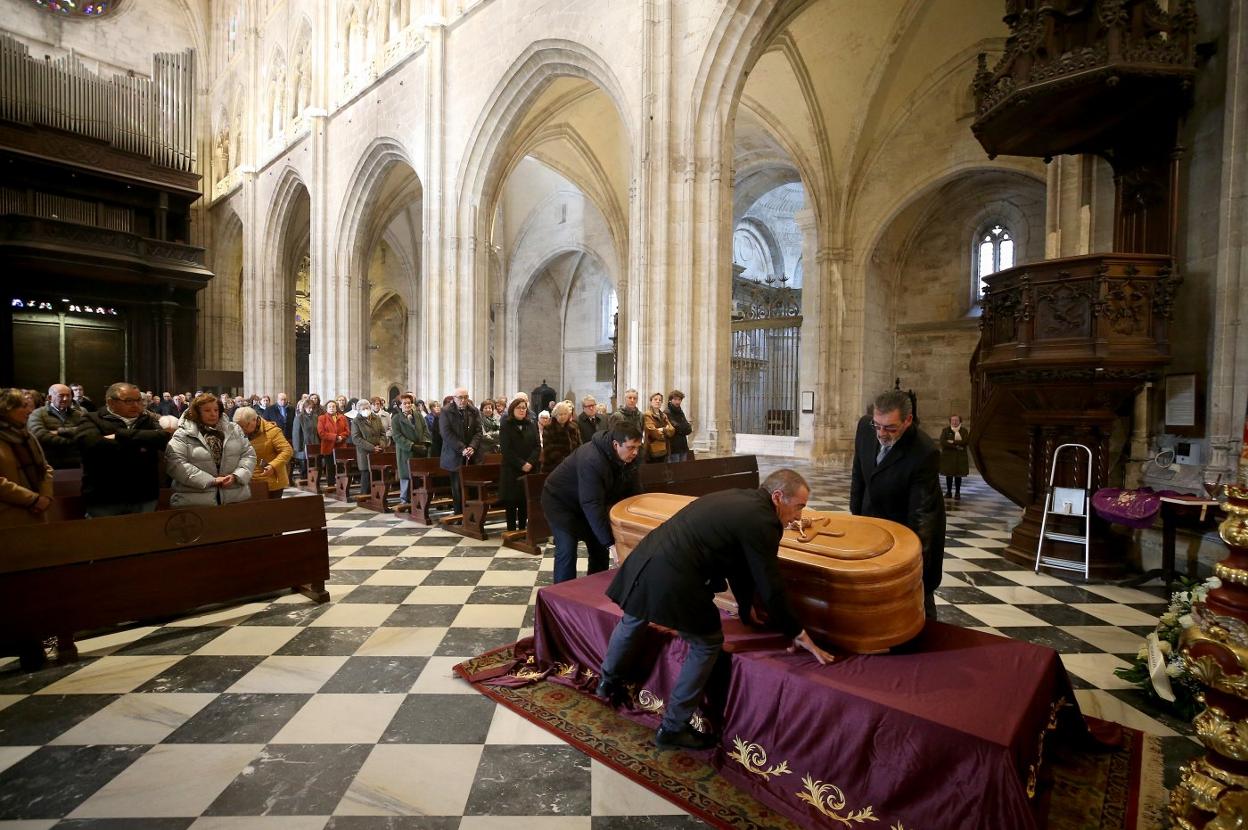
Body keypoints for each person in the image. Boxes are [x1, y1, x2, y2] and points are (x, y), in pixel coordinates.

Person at [598, 468, 834, 749]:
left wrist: (746, 607)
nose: (799, 517)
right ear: (778, 496)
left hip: (647, 558)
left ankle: (608, 682)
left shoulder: (740, 498)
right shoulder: (763, 521)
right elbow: (770, 584)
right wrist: (796, 631)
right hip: (676, 577)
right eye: (799, 507)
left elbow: (738, 562)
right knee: (707, 643)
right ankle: (673, 727)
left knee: (634, 618)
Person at [850, 390, 945, 620]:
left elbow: (921, 516)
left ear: (908, 420)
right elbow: (859, 474)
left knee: (916, 592)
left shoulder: (924, 451)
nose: (881, 433)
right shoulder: (865, 428)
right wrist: (857, 519)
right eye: (878, 425)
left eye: (890, 428)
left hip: (906, 522)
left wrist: (913, 564)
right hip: (872, 517)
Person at [541, 420, 643, 583]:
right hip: (560, 502)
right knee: (567, 549)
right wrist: (612, 544)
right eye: (631, 447)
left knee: (599, 549)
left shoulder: (630, 456)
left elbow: (634, 494)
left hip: (588, 503)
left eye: (638, 447)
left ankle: (592, 593)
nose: (636, 452)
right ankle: (562, 599)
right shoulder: (592, 459)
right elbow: (591, 504)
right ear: (616, 444)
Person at [77, 382, 176, 516]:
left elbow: (164, 438)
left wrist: (120, 435)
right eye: (129, 401)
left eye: (138, 400)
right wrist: (142, 442)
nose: (136, 405)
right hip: (105, 496)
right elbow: (93, 446)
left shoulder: (147, 420)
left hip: (144, 495)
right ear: (111, 402)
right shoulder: (92, 419)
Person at [166, 393, 256, 507]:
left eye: (216, 410)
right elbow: (176, 464)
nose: (213, 414)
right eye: (207, 410)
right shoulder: (183, 434)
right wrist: (211, 480)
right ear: (197, 412)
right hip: (195, 501)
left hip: (234, 497)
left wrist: (236, 476)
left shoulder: (234, 429)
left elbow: (248, 455)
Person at [0, 388, 54, 527]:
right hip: (7, 514)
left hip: (37, 511)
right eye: (23, 406)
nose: (30, 411)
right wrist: (32, 499)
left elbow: (44, 468)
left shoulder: (27, 436)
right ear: (7, 408)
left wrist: (45, 497)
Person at [439, 388, 482, 517]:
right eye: (460, 397)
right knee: (457, 488)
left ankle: (472, 515)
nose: (463, 400)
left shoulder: (473, 411)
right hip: (454, 455)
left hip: (472, 455)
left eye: (465, 397)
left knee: (473, 487)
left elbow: (478, 432)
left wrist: (472, 447)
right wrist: (462, 448)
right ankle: (459, 515)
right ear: (454, 398)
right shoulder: (446, 411)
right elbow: (446, 433)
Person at [500, 397, 540, 531]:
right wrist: (521, 463)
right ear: (512, 409)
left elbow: (537, 446)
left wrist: (530, 462)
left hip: (529, 468)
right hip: (512, 469)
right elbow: (506, 449)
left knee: (524, 500)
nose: (522, 410)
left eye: (524, 407)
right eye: (519, 407)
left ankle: (523, 529)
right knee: (511, 501)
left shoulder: (531, 424)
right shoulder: (506, 424)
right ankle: (511, 530)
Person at [234, 406, 293, 498]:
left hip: (270, 481)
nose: (241, 430)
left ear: (254, 420)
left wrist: (273, 466)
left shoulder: (272, 431)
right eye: (239, 426)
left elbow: (287, 451)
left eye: (244, 426)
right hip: (248, 480)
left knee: (269, 510)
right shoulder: (238, 432)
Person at [27, 383, 86, 469]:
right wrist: (72, 441)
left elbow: (86, 431)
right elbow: (39, 435)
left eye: (68, 396)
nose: (65, 399)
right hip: (49, 463)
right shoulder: (37, 414)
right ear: (50, 398)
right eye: (61, 396)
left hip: (75, 463)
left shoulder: (79, 415)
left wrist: (60, 431)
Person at [392, 393, 431, 509]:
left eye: (409, 403)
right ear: (400, 405)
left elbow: (425, 430)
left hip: (420, 451)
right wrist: (412, 446)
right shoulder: (396, 419)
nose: (408, 405)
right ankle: (404, 501)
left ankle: (418, 500)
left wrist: (424, 443)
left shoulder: (418, 415)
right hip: (406, 452)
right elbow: (397, 437)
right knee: (406, 476)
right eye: (405, 403)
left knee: (418, 476)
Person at [351, 397, 387, 493]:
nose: (366, 410)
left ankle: (377, 496)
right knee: (366, 475)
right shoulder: (356, 421)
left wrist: (382, 444)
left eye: (367, 408)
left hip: (378, 451)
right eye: (363, 409)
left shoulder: (376, 418)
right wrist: (372, 448)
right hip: (365, 453)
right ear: (358, 410)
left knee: (378, 475)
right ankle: (365, 497)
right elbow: (356, 438)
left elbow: (383, 434)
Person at [542, 400, 581, 472]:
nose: (563, 416)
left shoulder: (573, 427)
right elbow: (548, 449)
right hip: (554, 466)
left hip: (572, 465)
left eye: (565, 414)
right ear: (555, 415)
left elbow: (579, 445)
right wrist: (564, 461)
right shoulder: (549, 427)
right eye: (560, 414)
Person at [317, 399, 350, 484]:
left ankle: (341, 485)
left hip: (340, 446)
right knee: (330, 467)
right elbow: (321, 433)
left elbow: (347, 431)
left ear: (336, 408)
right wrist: (335, 437)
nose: (332, 408)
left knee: (340, 467)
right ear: (326, 408)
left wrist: (341, 437)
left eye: (333, 406)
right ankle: (331, 485)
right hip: (328, 446)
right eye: (330, 407)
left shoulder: (342, 417)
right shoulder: (322, 418)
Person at [939, 414, 970, 501]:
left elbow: (965, 441)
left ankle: (957, 492)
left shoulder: (964, 431)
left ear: (960, 421)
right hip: (948, 457)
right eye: (953, 420)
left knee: (958, 476)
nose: (954, 422)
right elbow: (943, 442)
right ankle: (948, 492)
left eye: (956, 420)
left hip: (960, 457)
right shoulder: (945, 430)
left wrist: (952, 442)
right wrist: (956, 446)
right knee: (948, 475)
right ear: (950, 421)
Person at [642, 391, 675, 463]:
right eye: (655, 399)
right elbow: (653, 432)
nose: (658, 401)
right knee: (654, 472)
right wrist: (665, 430)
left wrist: (662, 430)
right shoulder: (647, 415)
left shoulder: (663, 415)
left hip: (665, 448)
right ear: (651, 401)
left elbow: (672, 430)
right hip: (652, 450)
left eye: (660, 400)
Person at [666, 390, 692, 463]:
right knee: (675, 470)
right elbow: (675, 427)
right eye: (675, 399)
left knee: (682, 469)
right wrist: (683, 428)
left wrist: (683, 428)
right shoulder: (667, 412)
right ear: (670, 400)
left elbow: (689, 429)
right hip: (674, 447)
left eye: (679, 399)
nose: (677, 402)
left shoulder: (680, 411)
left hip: (683, 446)